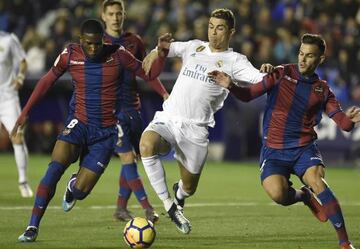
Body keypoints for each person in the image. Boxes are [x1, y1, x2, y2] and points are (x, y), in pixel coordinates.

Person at [15, 18, 169, 242]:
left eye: (97, 43)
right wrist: (25, 111)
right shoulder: (70, 54)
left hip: (106, 133)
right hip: (78, 124)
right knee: (53, 171)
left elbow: (149, 74)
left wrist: (161, 55)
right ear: (81, 41)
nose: (94, 48)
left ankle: (73, 187)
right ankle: (32, 227)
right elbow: (47, 80)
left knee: (81, 192)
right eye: (89, 44)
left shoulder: (119, 54)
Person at [208, 33, 359, 249]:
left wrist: (351, 120)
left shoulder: (323, 89)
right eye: (301, 53)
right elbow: (248, 95)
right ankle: (303, 196)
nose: (303, 59)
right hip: (273, 150)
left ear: (320, 60)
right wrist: (230, 85)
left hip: (303, 148)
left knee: (317, 181)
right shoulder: (281, 73)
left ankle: (345, 243)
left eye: (309, 56)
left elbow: (343, 124)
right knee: (278, 194)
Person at [139, 8, 273, 234]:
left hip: (196, 130)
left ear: (231, 32)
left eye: (219, 28)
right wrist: (155, 51)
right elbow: (167, 47)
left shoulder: (235, 61)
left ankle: (180, 195)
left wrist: (268, 71)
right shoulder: (193, 47)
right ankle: (170, 206)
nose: (213, 32)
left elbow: (259, 79)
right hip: (169, 119)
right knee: (146, 145)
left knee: (189, 187)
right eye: (211, 27)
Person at [101, 0, 169, 223]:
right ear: (103, 16)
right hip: (112, 111)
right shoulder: (97, 43)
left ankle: (120, 208)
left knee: (132, 159)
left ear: (124, 14)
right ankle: (148, 208)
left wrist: (163, 93)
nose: (115, 17)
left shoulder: (134, 41)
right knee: (128, 156)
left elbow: (146, 71)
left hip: (134, 108)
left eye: (119, 13)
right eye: (111, 14)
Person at [0, 31, 33, 198]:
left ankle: (23, 181)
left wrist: (20, 77)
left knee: (17, 137)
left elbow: (24, 61)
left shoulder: (9, 39)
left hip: (7, 98)